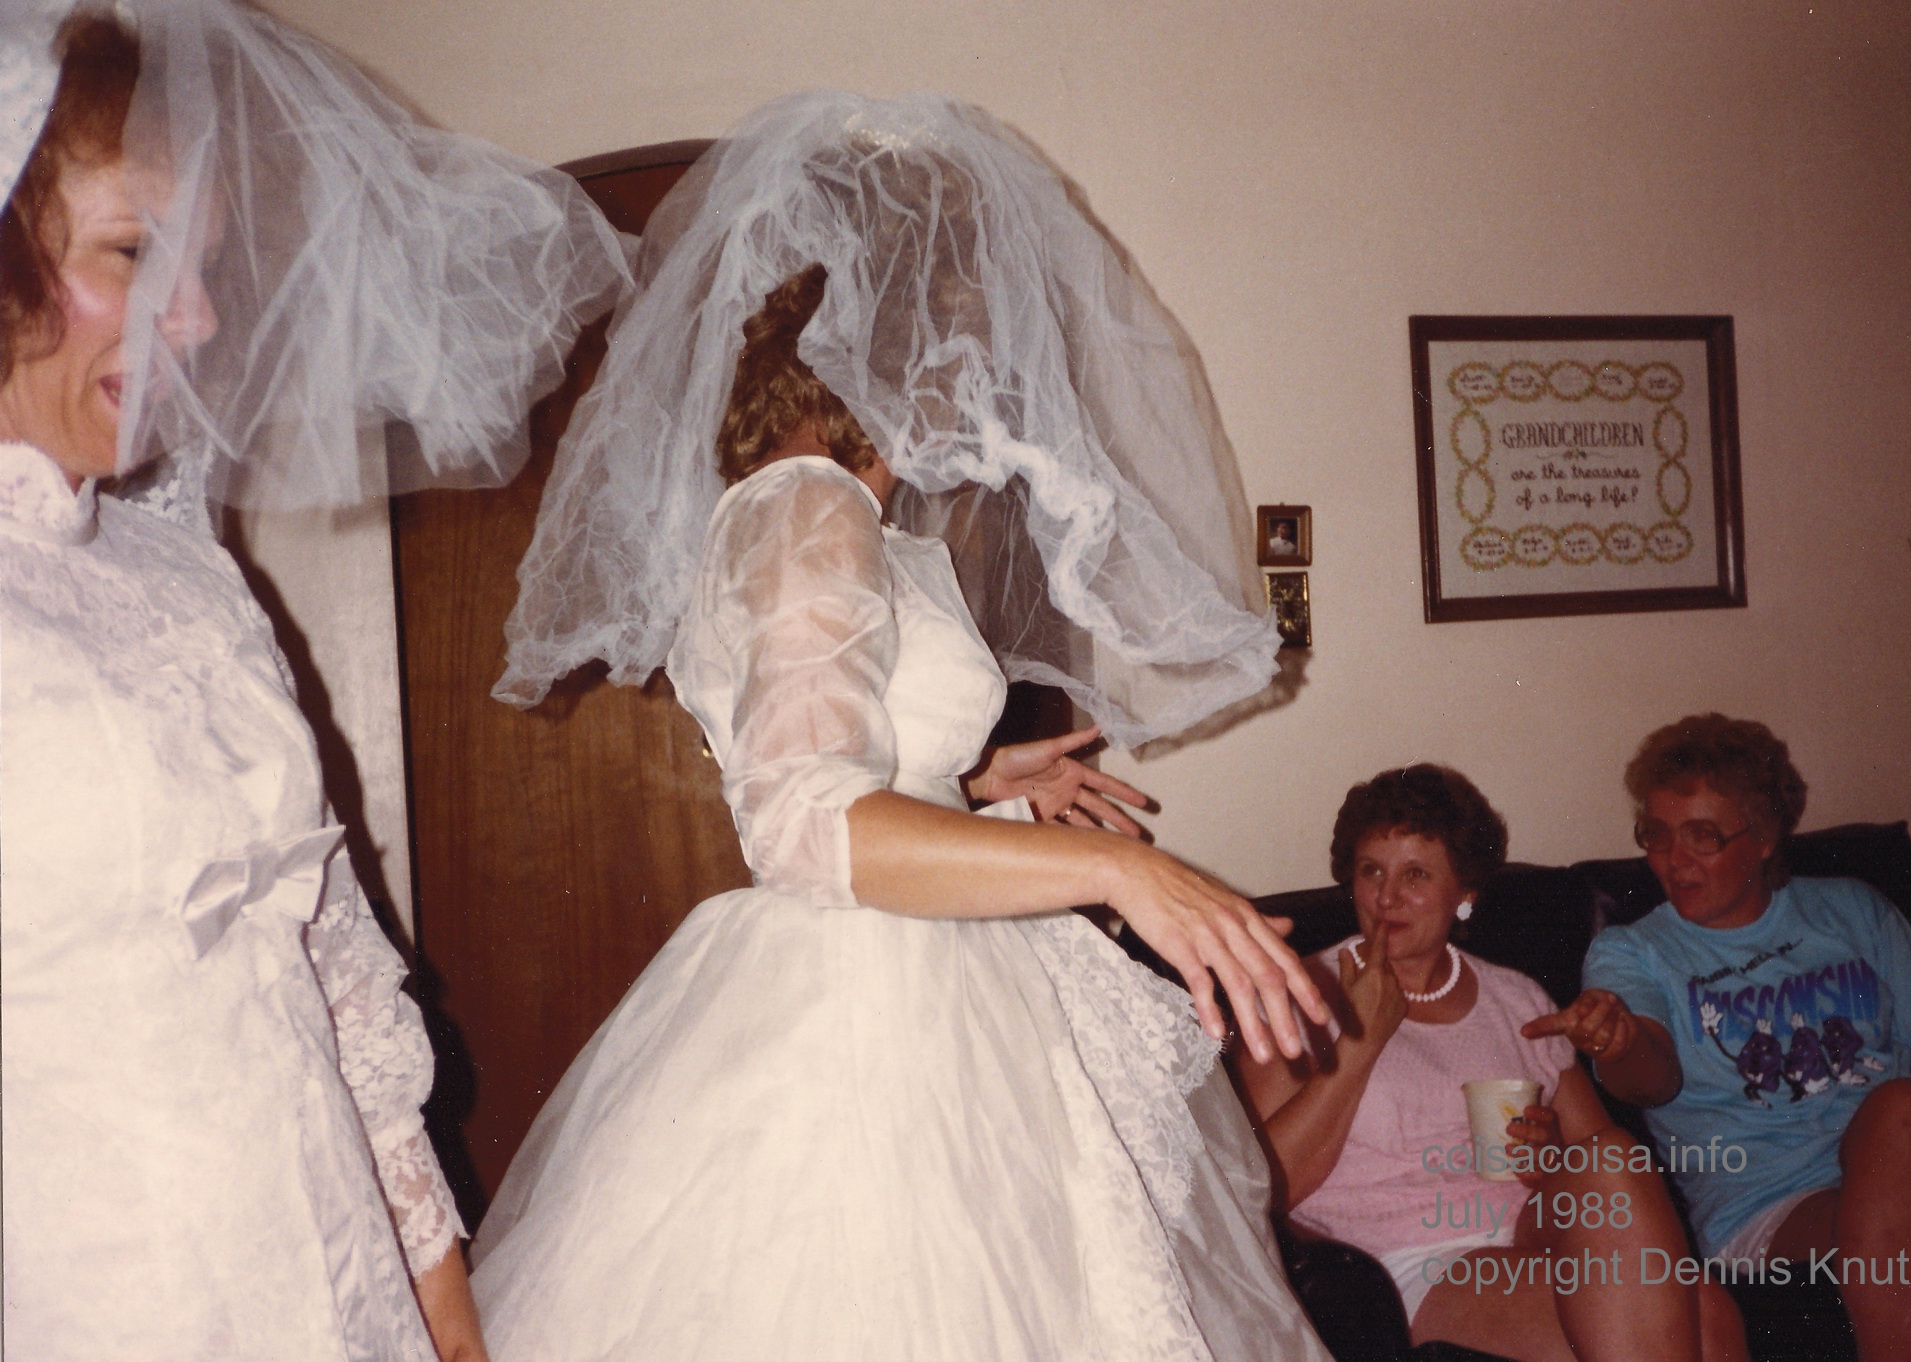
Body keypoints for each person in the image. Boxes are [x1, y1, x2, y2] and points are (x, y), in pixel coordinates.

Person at [469, 92, 1335, 1360]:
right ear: (871, 352)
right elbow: (806, 820)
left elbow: (847, 758)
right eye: (965, 336)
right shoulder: (806, 508)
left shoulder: (857, 524)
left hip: (940, 969)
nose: (986, 374)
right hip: (869, 1011)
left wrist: (971, 781)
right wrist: (1120, 869)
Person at [0, 4, 625, 1357]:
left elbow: (333, 961)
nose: (203, 310)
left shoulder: (182, 564)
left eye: (205, 262)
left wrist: (443, 1306)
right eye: (133, 251)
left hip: (323, 1256)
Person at [1548, 713, 1911, 1362]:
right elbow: (1651, 1075)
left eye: (1702, 837)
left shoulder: (1851, 909)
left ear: (1763, 836)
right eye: (1657, 834)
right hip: (1773, 1205)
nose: (1674, 861)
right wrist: (1616, 1046)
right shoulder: (1635, 952)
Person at [1235, 765, 1747, 1362]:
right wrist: (1359, 1043)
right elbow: (1262, 1187)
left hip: (1529, 1228)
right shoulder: (1295, 995)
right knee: (1703, 1325)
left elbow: (1593, 1162)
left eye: (1417, 874)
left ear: (1466, 892)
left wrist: (1550, 1153)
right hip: (1406, 1258)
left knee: (1615, 1155)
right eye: (1371, 870)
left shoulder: (1515, 998)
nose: (1386, 896)